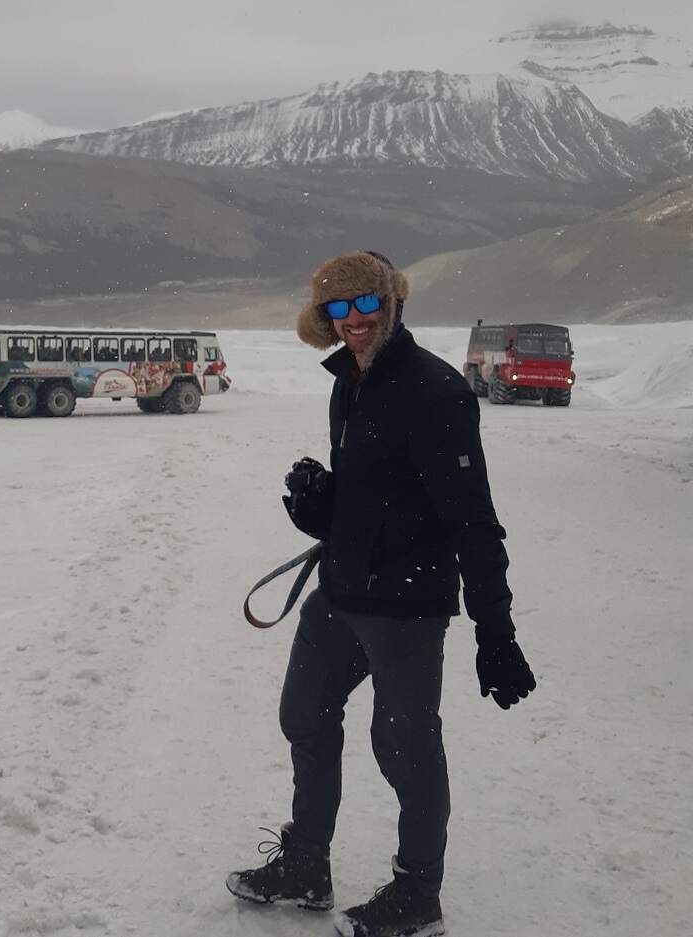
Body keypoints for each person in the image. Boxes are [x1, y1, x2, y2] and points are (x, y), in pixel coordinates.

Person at [226, 251, 537, 937]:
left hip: (407, 606)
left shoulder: (436, 392)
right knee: (304, 711)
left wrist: (497, 631)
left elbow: (472, 519)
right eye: (339, 309)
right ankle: (308, 862)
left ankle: (418, 896)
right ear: (324, 319)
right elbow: (377, 494)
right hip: (341, 588)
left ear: (393, 302)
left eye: (367, 303)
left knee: (405, 744)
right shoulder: (348, 382)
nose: (356, 318)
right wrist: (323, 508)